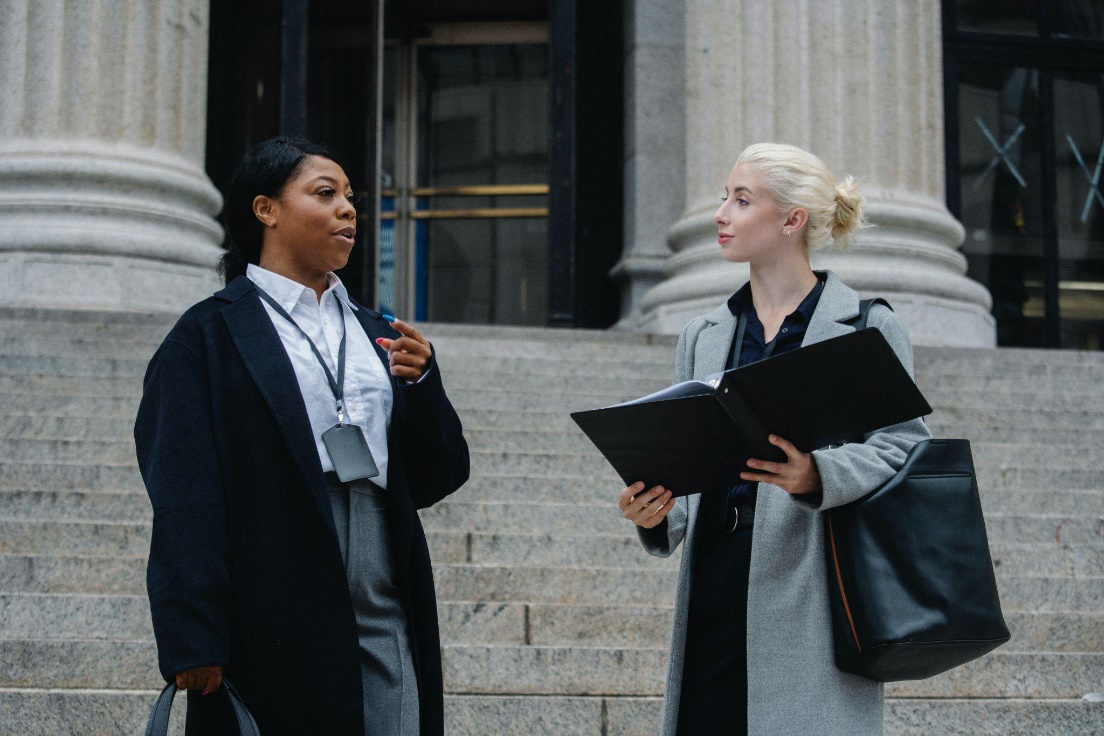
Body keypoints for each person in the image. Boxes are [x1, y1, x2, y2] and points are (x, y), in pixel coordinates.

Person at [134, 136, 470, 736]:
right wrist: (192, 632)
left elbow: (439, 474)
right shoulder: (207, 336)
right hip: (271, 563)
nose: (348, 209)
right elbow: (184, 492)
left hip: (382, 556)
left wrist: (422, 386)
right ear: (266, 210)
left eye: (351, 198)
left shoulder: (379, 333)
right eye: (325, 194)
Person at [617, 143, 931, 735]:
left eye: (741, 200)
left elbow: (905, 448)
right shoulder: (704, 335)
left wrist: (816, 476)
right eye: (723, 198)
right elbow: (688, 465)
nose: (720, 214)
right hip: (714, 586)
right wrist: (652, 512)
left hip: (814, 588)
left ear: (793, 220)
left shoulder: (865, 326)